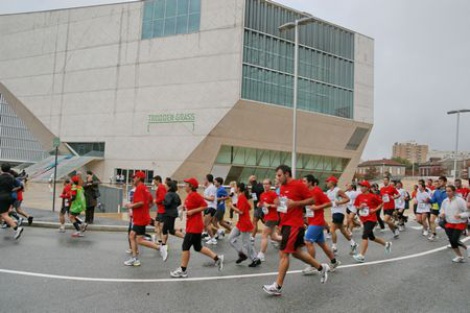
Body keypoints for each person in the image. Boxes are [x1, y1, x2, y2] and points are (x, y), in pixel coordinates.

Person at [263, 165, 330, 296]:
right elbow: (284, 204)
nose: (277, 177)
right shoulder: (282, 187)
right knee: (296, 253)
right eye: (277, 175)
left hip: (294, 224)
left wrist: (296, 204)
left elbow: (312, 199)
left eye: (279, 175)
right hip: (286, 223)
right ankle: (322, 268)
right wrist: (278, 211)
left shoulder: (298, 185)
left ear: (287, 174)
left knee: (283, 254)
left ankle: (278, 286)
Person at [170, 178, 224, 278]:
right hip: (192, 225)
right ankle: (217, 258)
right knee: (198, 247)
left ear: (191, 186)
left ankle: (183, 270)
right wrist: (179, 209)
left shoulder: (195, 195)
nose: (184, 186)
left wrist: (193, 211)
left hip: (194, 226)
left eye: (186, 184)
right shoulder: (189, 196)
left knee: (185, 246)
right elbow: (185, 206)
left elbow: (204, 205)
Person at [124, 171, 166, 266]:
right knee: (132, 236)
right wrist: (145, 209)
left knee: (139, 240)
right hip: (141, 217)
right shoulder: (145, 189)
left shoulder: (139, 188)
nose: (133, 179)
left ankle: (159, 248)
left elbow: (141, 202)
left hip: (140, 218)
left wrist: (130, 205)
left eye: (134, 177)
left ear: (139, 178)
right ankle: (135, 258)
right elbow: (150, 202)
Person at [302, 174, 341, 275]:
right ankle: (334, 262)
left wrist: (317, 208)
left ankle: (312, 265)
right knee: (322, 244)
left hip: (317, 221)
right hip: (312, 221)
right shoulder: (306, 192)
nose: (303, 183)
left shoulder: (317, 191)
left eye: (304, 181)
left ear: (310, 182)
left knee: (308, 241)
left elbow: (329, 203)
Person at [353, 181, 392, 263]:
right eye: (360, 186)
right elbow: (356, 206)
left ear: (367, 188)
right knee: (372, 238)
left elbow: (381, 203)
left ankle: (361, 256)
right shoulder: (359, 196)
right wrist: (360, 207)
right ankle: (387, 244)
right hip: (364, 219)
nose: (361, 188)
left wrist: (374, 210)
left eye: (362, 186)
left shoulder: (372, 196)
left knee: (364, 235)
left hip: (371, 219)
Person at [229, 182, 261, 267]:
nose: (234, 188)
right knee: (231, 238)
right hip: (240, 223)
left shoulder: (242, 198)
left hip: (244, 223)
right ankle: (242, 254)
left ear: (238, 188)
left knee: (246, 243)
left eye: (235, 186)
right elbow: (249, 207)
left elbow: (241, 211)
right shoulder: (241, 198)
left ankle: (255, 259)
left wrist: (232, 206)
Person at [325, 176, 357, 255]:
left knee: (332, 230)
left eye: (328, 181)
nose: (326, 183)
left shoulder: (338, 191)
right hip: (333, 212)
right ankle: (353, 243)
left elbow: (347, 199)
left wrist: (338, 203)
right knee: (343, 230)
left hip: (339, 212)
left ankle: (334, 247)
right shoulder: (328, 192)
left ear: (332, 182)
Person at [440, 185, 469, 263]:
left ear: (454, 192)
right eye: (446, 191)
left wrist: (460, 215)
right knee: (452, 241)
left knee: (454, 239)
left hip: (460, 222)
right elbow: (442, 209)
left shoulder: (460, 200)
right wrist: (442, 214)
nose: (447, 193)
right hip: (450, 223)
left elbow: (468, 212)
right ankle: (459, 256)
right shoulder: (445, 201)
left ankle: (466, 249)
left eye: (449, 191)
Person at [256, 178, 281, 262]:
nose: (265, 186)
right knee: (274, 237)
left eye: (267, 184)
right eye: (264, 184)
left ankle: (261, 254)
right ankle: (289, 240)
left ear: (270, 185)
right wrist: (260, 204)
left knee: (264, 235)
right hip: (267, 217)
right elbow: (262, 204)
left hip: (273, 217)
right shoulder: (262, 194)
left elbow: (278, 206)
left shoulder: (273, 194)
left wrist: (269, 205)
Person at [0, 163, 24, 240]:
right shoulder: (12, 178)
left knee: (4, 215)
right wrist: (11, 190)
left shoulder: (0, 177)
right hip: (9, 197)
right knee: (3, 214)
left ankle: (17, 228)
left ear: (1, 169)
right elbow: (20, 186)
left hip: (1, 197)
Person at [161, 180, 184, 256]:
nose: (165, 186)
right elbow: (179, 203)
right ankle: (163, 245)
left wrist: (163, 201)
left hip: (169, 214)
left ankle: (185, 237)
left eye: (166, 185)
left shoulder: (168, 194)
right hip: (173, 213)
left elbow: (167, 203)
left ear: (169, 186)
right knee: (166, 230)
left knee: (169, 230)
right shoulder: (176, 194)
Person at [426, 176, 448, 241]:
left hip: (447, 210)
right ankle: (434, 234)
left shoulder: (449, 190)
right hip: (438, 209)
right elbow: (433, 200)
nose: (439, 182)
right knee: (431, 220)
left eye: (441, 181)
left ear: (445, 182)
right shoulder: (436, 191)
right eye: (439, 181)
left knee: (446, 224)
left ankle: (450, 235)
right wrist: (428, 200)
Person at [202, 174, 218, 244]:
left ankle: (213, 239)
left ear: (207, 180)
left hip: (211, 207)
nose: (203, 181)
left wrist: (202, 196)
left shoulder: (212, 187)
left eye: (204, 179)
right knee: (207, 224)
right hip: (207, 207)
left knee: (206, 224)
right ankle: (211, 235)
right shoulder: (208, 188)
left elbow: (212, 198)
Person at [249, 175, 265, 241]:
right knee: (263, 221)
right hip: (262, 205)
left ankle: (252, 237)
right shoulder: (260, 185)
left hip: (257, 206)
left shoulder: (253, 187)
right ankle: (252, 237)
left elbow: (254, 198)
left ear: (251, 181)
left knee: (255, 222)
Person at [153, 175, 167, 245]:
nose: (154, 182)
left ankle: (160, 239)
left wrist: (155, 201)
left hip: (162, 210)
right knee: (157, 224)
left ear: (158, 180)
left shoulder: (161, 187)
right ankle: (159, 239)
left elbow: (162, 198)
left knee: (159, 225)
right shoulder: (161, 187)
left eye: (154, 181)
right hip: (160, 209)